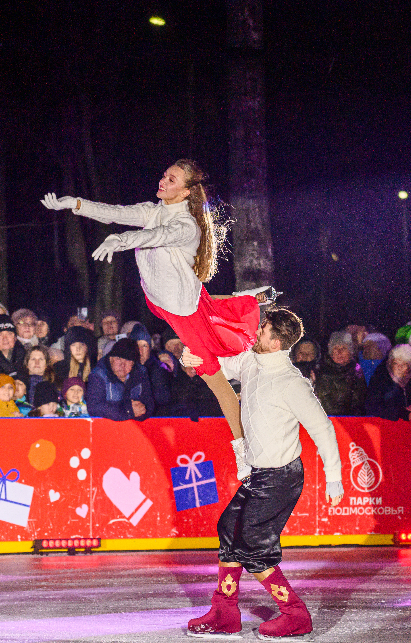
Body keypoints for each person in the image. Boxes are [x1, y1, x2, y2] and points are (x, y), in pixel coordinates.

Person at [42, 159, 273, 475]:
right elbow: (115, 212)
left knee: (216, 381)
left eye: (172, 179)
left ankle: (244, 451)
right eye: (164, 175)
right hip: (164, 302)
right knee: (207, 312)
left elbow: (156, 236)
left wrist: (120, 241)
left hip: (184, 311)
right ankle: (244, 298)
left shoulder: (186, 226)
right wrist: (74, 204)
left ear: (186, 192)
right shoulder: (153, 211)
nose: (163, 181)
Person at [181, 307, 344, 640]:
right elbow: (216, 364)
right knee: (229, 529)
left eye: (263, 329)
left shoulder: (292, 383)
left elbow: (322, 429)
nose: (256, 332)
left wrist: (334, 477)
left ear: (276, 342)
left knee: (253, 545)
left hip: (282, 477)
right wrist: (192, 356)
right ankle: (225, 613)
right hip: (259, 474)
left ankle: (295, 615)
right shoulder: (250, 362)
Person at [86, 336, 154, 421]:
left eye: (128, 360)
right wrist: (128, 411)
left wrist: (140, 412)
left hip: (134, 426)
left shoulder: (141, 373)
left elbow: (148, 404)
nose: (122, 364)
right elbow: (94, 407)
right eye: (118, 358)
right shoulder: (98, 374)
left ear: (133, 364)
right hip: (106, 426)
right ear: (111, 358)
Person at [364, 344, 411, 421]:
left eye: (404, 364)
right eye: (395, 363)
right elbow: (372, 406)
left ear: (410, 367)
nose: (399, 368)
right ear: (390, 363)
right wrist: (401, 413)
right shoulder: (380, 376)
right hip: (387, 423)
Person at [314, 331, 366, 416]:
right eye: (335, 348)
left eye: (344, 348)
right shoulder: (322, 371)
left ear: (350, 352)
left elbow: (359, 401)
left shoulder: (357, 370)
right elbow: (326, 403)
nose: (339, 352)